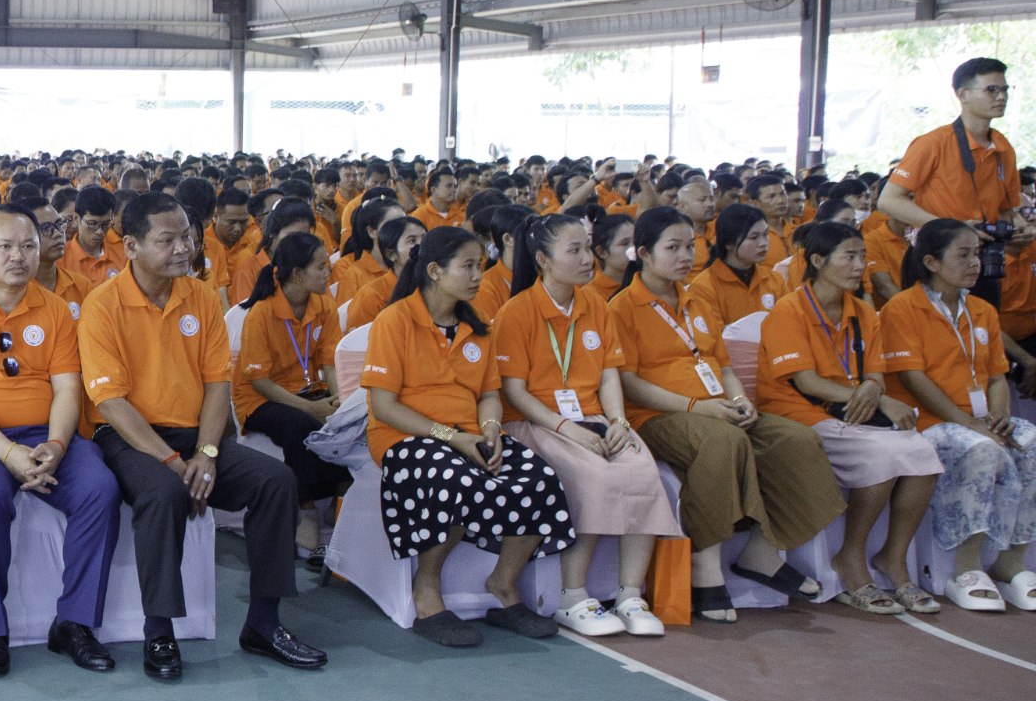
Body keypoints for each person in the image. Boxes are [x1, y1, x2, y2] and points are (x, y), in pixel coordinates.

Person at [81, 192, 327, 678]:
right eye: (167, 240)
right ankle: (159, 631)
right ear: (131, 246)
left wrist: (208, 453)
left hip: (197, 436)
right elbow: (111, 402)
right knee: (164, 492)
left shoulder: (201, 297)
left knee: (276, 481)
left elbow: (218, 384)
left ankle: (263, 623)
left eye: (187, 238)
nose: (183, 249)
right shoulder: (102, 306)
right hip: (129, 437)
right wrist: (174, 463)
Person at [612, 207, 844, 624]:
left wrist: (739, 399)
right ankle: (704, 565)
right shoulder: (622, 307)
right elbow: (629, 383)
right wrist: (696, 407)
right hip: (657, 415)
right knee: (722, 440)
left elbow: (721, 365)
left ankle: (763, 551)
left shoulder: (696, 300)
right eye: (673, 248)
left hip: (718, 406)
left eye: (690, 246)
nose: (685, 256)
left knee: (796, 439)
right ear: (643, 253)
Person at [0, 202, 121, 677]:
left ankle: (74, 623)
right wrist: (7, 452)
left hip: (45, 434)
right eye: (6, 246)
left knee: (100, 489)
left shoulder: (54, 310)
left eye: (28, 246)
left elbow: (68, 389)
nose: (19, 256)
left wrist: (56, 445)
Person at [361, 224, 578, 648]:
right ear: (435, 271)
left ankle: (504, 583)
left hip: (468, 434)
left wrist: (491, 433)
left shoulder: (477, 327)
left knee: (541, 480)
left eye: (481, 265)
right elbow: (384, 407)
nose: (479, 275)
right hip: (404, 438)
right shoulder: (395, 321)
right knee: (458, 481)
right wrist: (452, 438)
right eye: (468, 266)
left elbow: (489, 396)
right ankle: (427, 590)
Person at [490, 213, 682, 636]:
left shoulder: (596, 305)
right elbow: (515, 392)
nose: (585, 259)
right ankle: (572, 596)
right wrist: (566, 428)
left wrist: (618, 421)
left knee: (642, 470)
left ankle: (630, 594)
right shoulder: (516, 312)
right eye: (573, 250)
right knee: (594, 476)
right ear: (543, 259)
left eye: (586, 247)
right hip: (538, 423)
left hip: (593, 418)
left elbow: (609, 374)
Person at [755, 220, 944, 615]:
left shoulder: (863, 312)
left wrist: (874, 389)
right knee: (880, 456)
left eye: (863, 256)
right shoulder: (789, 311)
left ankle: (893, 557)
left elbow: (875, 373)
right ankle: (850, 557)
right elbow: (806, 382)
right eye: (850, 257)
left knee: (923, 454)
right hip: (800, 413)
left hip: (854, 412)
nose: (860, 266)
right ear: (818, 261)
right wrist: (873, 396)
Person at [878, 219, 1036, 612]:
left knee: (1031, 441)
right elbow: (913, 379)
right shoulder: (902, 308)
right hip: (929, 422)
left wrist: (999, 417)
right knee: (980, 449)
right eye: (963, 255)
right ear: (931, 262)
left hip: (979, 420)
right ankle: (965, 567)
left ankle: (1011, 561)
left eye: (977, 254)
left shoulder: (982, 310)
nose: (975, 263)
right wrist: (973, 426)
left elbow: (996, 376)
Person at [235, 232, 354, 561]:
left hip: (310, 391)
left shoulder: (323, 305)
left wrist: (339, 400)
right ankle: (307, 508)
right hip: (260, 400)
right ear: (298, 274)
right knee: (299, 425)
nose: (328, 272)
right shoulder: (261, 314)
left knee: (348, 419)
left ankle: (341, 499)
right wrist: (312, 409)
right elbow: (259, 381)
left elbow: (330, 360)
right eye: (321, 267)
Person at [880, 58, 1017, 303]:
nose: (1001, 96)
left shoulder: (1003, 147)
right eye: (991, 90)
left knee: (981, 324)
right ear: (963, 94)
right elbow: (888, 201)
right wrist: (952, 227)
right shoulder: (934, 142)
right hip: (936, 258)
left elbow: (1007, 211)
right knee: (932, 326)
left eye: (1005, 89)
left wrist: (1022, 230)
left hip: (983, 258)